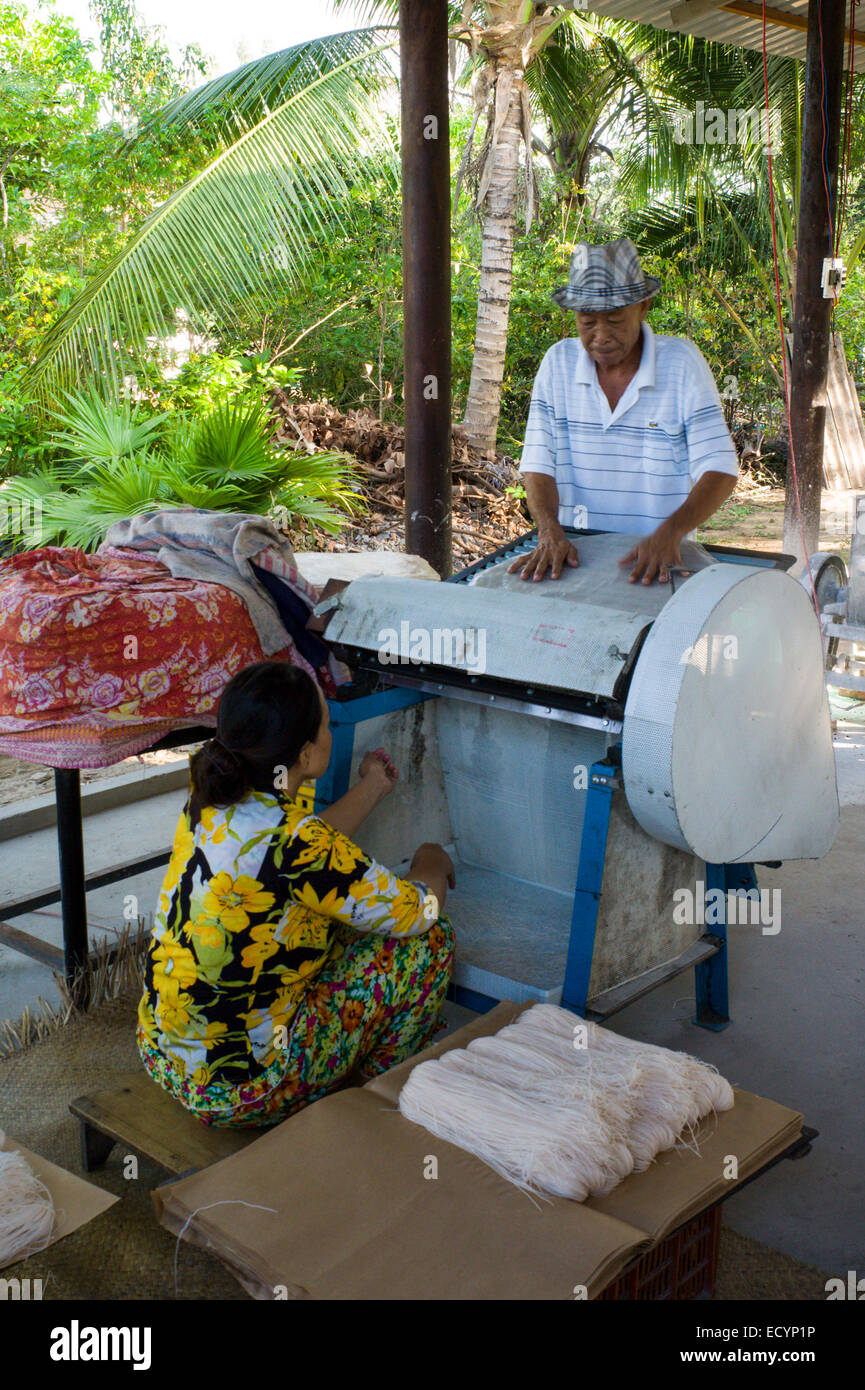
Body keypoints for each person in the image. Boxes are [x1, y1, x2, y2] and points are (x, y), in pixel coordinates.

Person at [136, 661, 455, 1127]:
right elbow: (416, 913)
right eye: (326, 725)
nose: (331, 730)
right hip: (249, 1089)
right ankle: (378, 1093)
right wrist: (433, 864)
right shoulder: (301, 844)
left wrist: (372, 787)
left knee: (330, 924)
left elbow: (294, 856)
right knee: (431, 943)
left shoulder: (209, 794)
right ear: (305, 756)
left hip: (166, 1058)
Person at [509, 237, 739, 586]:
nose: (600, 335)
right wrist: (549, 532)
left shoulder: (682, 364)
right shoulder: (557, 364)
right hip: (577, 561)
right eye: (587, 321)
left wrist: (671, 532)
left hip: (658, 564)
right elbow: (539, 466)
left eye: (614, 320)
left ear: (643, 306)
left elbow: (720, 470)